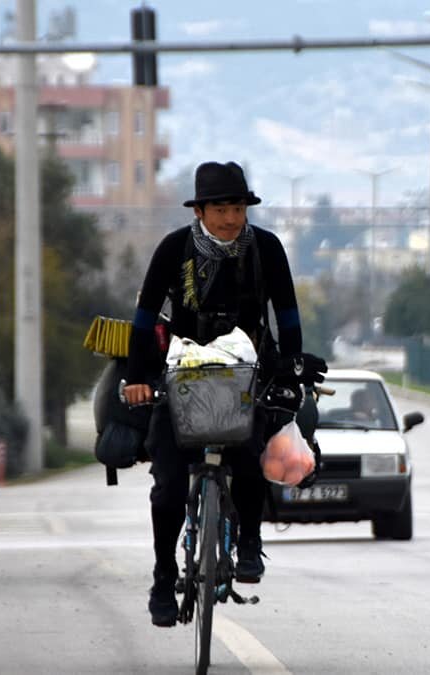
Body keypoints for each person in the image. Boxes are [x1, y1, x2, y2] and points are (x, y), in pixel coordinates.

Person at [122, 160, 322, 628]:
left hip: (248, 375)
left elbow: (287, 315)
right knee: (168, 483)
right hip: (184, 376)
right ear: (200, 211)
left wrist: (291, 365)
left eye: (237, 208)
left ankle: (249, 542)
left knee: (255, 454)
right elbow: (145, 316)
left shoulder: (267, 249)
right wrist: (137, 377)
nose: (230, 218)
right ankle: (163, 575)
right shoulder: (174, 249)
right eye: (220, 209)